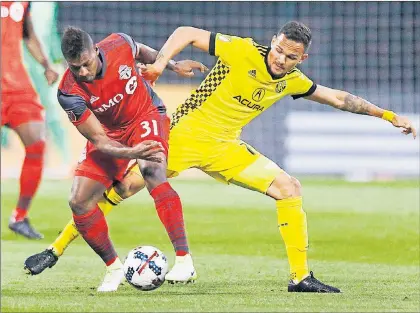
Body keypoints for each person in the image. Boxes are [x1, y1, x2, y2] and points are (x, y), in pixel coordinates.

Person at [24, 21, 417, 293]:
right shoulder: (243, 50)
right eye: (279, 50)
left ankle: (300, 278)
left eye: (290, 57)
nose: (280, 59)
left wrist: (386, 115)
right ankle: (56, 248)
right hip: (184, 134)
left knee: (289, 188)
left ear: (301, 60)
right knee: (120, 188)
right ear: (273, 41)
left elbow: (338, 98)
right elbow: (187, 33)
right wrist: (162, 63)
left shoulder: (293, 81)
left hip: (226, 147)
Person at [46, 26, 207, 292]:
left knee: (153, 172)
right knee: (79, 201)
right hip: (109, 135)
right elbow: (99, 140)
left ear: (95, 51)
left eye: (86, 64)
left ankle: (184, 260)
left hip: (146, 115)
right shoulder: (68, 92)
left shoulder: (118, 43)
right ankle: (113, 268)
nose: (83, 72)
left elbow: (140, 50)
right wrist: (132, 152)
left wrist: (172, 64)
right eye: (76, 68)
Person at [1, 1, 59, 239]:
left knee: (37, 143)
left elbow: (28, 33)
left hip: (16, 86)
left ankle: (19, 216)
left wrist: (46, 64)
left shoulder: (23, 2)